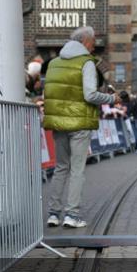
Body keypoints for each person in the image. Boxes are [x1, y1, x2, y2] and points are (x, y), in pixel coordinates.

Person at [42, 26, 116, 229]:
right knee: (77, 170)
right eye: (93, 42)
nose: (94, 46)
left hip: (59, 123)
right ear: (85, 41)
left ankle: (54, 213)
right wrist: (111, 98)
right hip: (79, 123)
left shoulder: (54, 63)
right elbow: (90, 95)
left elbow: (48, 93)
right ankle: (72, 215)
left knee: (60, 168)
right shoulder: (86, 63)